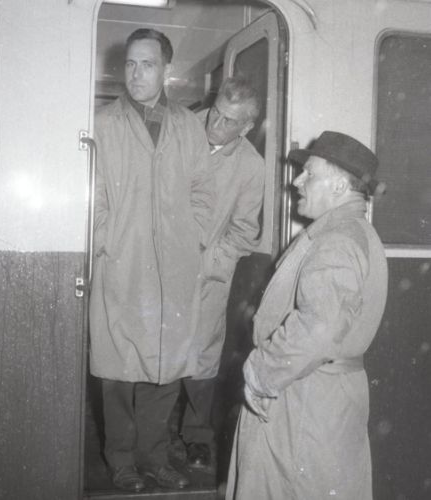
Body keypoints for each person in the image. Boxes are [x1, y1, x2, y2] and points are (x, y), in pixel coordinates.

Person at [226, 131, 388, 500]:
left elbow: (319, 327)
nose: (297, 181)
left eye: (309, 174)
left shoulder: (337, 241)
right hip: (320, 396)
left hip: (304, 402)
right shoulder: (354, 232)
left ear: (339, 186)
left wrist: (261, 374)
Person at [89, 28, 213, 492]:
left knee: (165, 368)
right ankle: (121, 461)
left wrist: (193, 239)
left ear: (167, 70)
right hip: (123, 262)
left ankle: (154, 457)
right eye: (130, 64)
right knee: (119, 371)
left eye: (147, 64)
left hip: (174, 266)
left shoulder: (188, 125)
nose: (137, 73)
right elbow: (93, 196)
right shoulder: (103, 124)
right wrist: (109, 241)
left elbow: (203, 192)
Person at [180, 77, 265, 470]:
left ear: (246, 127)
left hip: (207, 274)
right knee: (152, 349)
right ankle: (148, 439)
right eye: (215, 112)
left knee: (202, 355)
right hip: (157, 265)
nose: (215, 124)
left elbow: (245, 230)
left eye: (229, 121)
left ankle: (196, 436)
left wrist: (212, 263)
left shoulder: (251, 166)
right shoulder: (181, 129)